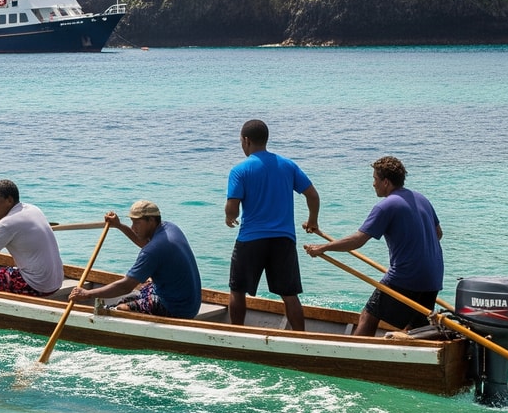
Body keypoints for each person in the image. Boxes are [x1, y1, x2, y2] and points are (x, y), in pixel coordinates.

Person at [305, 156, 444, 336]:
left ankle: (354, 357)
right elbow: (438, 234)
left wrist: (322, 248)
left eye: (375, 179)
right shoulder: (421, 198)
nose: (373, 184)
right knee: (415, 329)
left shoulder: (385, 206)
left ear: (386, 182)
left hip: (405, 275)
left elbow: (358, 240)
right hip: (433, 276)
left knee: (368, 316)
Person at [225, 118, 320, 331]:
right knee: (289, 294)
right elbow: (312, 195)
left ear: (246, 141)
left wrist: (229, 217)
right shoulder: (288, 165)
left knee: (237, 290)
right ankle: (300, 337)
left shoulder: (240, 170)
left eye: (241, 141)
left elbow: (232, 207)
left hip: (251, 239)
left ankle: (237, 333)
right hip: (283, 239)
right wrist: (313, 220)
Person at [69, 200, 202, 319]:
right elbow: (144, 242)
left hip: (177, 309)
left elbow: (125, 286)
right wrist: (119, 225)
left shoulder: (152, 250)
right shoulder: (170, 228)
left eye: (137, 223)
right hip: (192, 303)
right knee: (142, 286)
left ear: (151, 220)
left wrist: (87, 293)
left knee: (122, 308)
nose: (133, 227)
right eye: (132, 222)